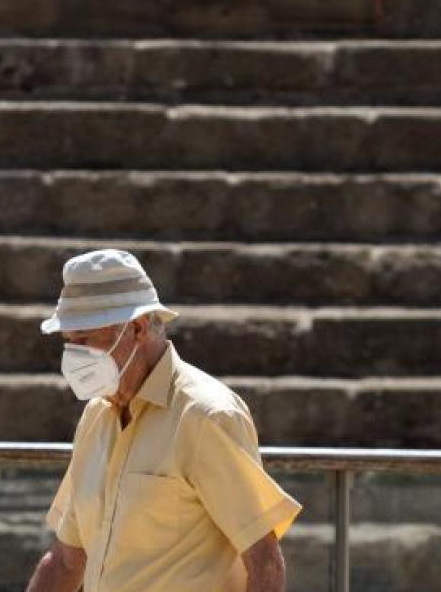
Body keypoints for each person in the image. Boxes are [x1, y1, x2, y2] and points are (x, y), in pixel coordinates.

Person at [24, 249, 301, 592]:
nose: (73, 356)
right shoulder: (97, 416)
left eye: (85, 340)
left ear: (137, 328)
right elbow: (68, 559)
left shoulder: (205, 416)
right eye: (69, 343)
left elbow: (264, 560)